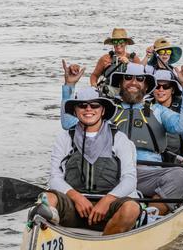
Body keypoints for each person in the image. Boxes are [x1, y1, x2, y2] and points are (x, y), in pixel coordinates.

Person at [62, 62, 183, 217]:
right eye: (128, 78)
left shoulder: (157, 110)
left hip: (145, 174)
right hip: (111, 172)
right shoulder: (107, 110)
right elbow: (69, 124)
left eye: (140, 78)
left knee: (180, 176)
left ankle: (146, 216)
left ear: (146, 85)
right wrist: (69, 85)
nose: (134, 82)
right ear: (120, 83)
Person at [30, 87, 141, 235]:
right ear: (75, 111)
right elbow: (55, 178)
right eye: (82, 105)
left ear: (103, 110)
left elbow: (130, 180)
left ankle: (105, 242)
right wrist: (77, 198)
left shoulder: (120, 139)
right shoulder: (64, 138)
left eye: (94, 105)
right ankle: (48, 228)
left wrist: (106, 201)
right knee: (46, 198)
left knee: (131, 209)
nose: (88, 109)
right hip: (74, 206)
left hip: (109, 207)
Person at [90, 28, 141, 93]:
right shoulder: (105, 58)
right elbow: (95, 75)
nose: (118, 44)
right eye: (115, 41)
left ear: (126, 43)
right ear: (112, 44)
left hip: (128, 92)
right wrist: (93, 85)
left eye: (121, 41)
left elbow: (140, 76)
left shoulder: (134, 59)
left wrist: (128, 63)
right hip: (108, 91)